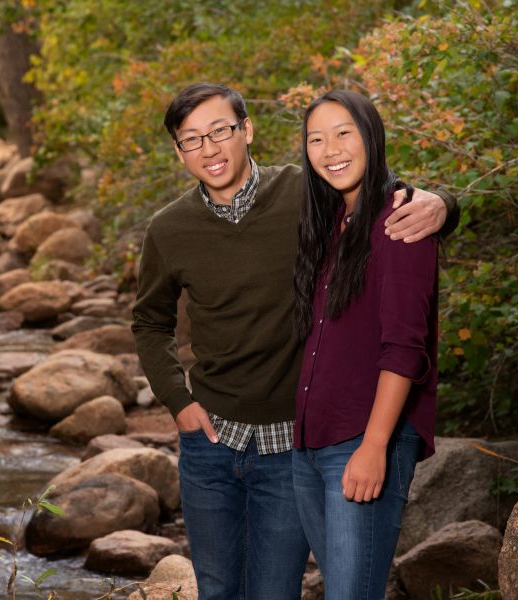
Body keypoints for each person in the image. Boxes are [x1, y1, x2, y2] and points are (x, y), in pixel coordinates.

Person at [131, 83, 457, 600]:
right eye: (192, 140)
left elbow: (376, 194)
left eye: (220, 131)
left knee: (274, 592)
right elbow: (149, 323)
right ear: (179, 151)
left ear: (247, 130)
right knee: (217, 589)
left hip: (292, 444)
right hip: (211, 442)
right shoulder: (169, 228)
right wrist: (178, 401)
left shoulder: (305, 194)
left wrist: (442, 204)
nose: (210, 150)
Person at [291, 90, 439, 599]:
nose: (329, 148)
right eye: (315, 138)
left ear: (371, 136)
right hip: (310, 444)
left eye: (343, 132)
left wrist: (374, 447)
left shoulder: (401, 220)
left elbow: (405, 348)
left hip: (363, 441)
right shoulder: (330, 222)